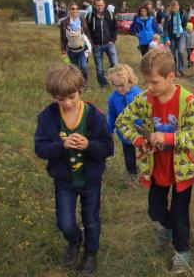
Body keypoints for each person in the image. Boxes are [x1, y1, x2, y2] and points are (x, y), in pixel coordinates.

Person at [114, 48, 194, 273]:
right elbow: (122, 121)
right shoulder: (144, 100)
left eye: (154, 82)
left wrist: (168, 137)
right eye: (146, 82)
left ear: (170, 77)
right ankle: (167, 227)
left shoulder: (188, 102)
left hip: (182, 171)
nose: (149, 87)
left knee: (179, 212)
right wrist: (138, 141)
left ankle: (182, 252)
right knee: (155, 210)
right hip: (156, 169)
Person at [34, 64, 114, 274]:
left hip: (90, 180)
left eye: (71, 96)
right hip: (64, 181)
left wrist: (88, 145)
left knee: (91, 219)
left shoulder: (94, 115)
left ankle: (91, 253)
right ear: (54, 96)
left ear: (81, 90)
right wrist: (61, 146)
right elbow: (40, 148)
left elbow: (107, 148)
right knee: (65, 222)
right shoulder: (47, 117)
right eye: (61, 98)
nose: (67, 103)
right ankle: (74, 239)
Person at [106, 64, 143, 187]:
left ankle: (148, 172)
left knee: (145, 152)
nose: (119, 89)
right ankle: (132, 175)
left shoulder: (139, 95)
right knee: (129, 156)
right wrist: (109, 129)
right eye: (116, 86)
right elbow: (112, 115)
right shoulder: (113, 98)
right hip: (125, 133)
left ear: (130, 81)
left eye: (122, 86)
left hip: (141, 132)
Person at [87, 0, 118, 89]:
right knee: (99, 68)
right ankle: (103, 85)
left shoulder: (110, 14)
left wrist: (112, 40)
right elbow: (87, 31)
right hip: (97, 46)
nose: (100, 7)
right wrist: (92, 43)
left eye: (101, 5)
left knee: (115, 65)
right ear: (94, 6)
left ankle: (116, 82)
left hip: (109, 44)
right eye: (97, 5)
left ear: (104, 5)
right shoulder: (90, 16)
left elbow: (115, 28)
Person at [59, 2, 92, 86]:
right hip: (71, 50)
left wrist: (90, 47)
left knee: (83, 67)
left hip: (82, 49)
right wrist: (63, 50)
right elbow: (63, 37)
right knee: (74, 69)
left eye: (77, 8)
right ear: (69, 10)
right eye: (73, 9)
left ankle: (84, 84)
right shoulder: (64, 22)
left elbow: (87, 34)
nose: (75, 10)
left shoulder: (82, 20)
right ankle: (76, 85)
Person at [166, 0, 187, 77]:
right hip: (172, 36)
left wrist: (183, 31)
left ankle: (181, 69)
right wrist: (167, 38)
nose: (175, 9)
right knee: (173, 53)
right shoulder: (168, 16)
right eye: (173, 8)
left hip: (181, 34)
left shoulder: (183, 14)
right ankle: (174, 70)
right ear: (171, 8)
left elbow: (184, 24)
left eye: (176, 8)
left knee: (181, 51)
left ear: (178, 7)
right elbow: (166, 28)